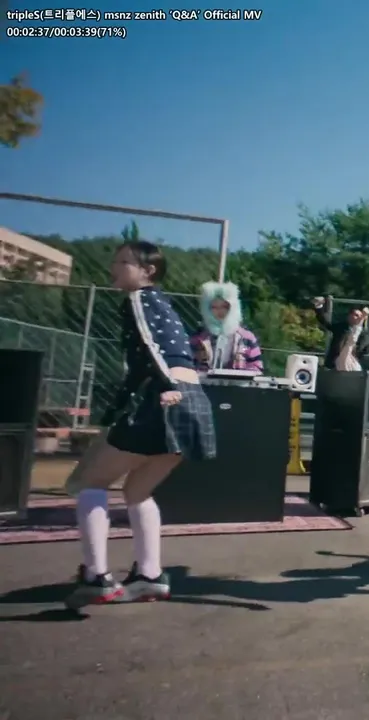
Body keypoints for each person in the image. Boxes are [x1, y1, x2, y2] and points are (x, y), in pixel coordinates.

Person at [63, 241, 217, 609]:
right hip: (193, 400)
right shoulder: (164, 304)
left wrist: (161, 390)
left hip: (164, 396)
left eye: (123, 262)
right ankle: (149, 575)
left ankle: (96, 577)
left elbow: (150, 350)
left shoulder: (139, 299)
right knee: (137, 491)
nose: (114, 267)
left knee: (89, 482)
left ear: (147, 271)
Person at [189, 281, 264, 373]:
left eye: (224, 306)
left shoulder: (247, 338)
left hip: (237, 382)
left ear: (233, 307)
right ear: (206, 309)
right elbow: (187, 365)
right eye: (214, 307)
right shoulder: (197, 338)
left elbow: (256, 367)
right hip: (203, 382)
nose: (220, 311)